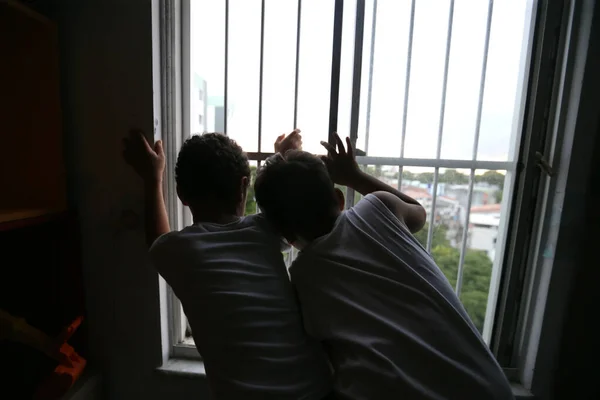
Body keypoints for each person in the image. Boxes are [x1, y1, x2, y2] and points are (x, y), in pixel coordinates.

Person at [253, 133, 515, 400]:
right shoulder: (379, 209)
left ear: (286, 237)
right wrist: (353, 175)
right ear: (339, 198)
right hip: (485, 386)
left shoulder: (301, 280)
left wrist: (278, 169)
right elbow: (418, 213)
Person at [122, 129, 333, 400]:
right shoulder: (264, 229)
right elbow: (286, 202)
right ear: (244, 186)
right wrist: (281, 157)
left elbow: (157, 241)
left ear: (181, 195)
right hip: (318, 390)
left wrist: (153, 178)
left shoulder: (180, 250)